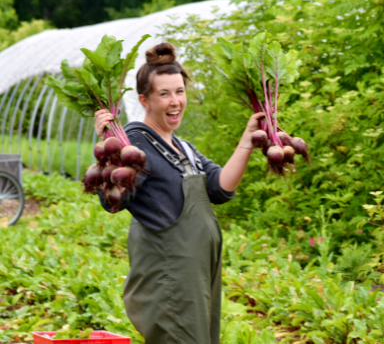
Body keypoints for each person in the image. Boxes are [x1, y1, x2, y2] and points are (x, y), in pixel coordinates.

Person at [93, 43, 265, 343]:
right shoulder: (135, 145)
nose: (175, 101)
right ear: (144, 100)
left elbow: (220, 187)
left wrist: (249, 139)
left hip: (197, 275)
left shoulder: (182, 146)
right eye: (164, 94)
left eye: (180, 91)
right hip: (170, 279)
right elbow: (112, 202)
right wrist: (110, 152)